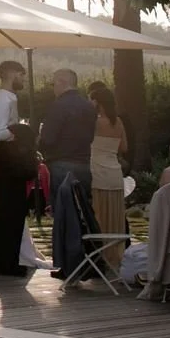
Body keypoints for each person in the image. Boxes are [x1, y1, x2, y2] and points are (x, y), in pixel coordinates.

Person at [38, 69, 98, 233]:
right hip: (85, 164)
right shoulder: (88, 106)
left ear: (62, 82)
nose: (53, 88)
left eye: (54, 83)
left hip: (61, 164)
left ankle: (65, 254)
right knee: (82, 210)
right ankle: (82, 250)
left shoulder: (58, 106)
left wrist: (40, 142)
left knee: (63, 213)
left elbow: (48, 139)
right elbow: (92, 136)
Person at [0, 60, 31, 277]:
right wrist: (20, 133)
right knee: (11, 209)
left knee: (10, 209)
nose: (23, 79)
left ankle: (7, 259)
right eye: (21, 75)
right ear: (11, 74)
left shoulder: (3, 98)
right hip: (9, 156)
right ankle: (7, 262)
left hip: (7, 157)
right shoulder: (4, 99)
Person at [87, 82, 129, 272]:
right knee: (115, 216)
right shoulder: (118, 122)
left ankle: (101, 256)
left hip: (97, 170)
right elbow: (124, 148)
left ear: (98, 103)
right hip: (115, 172)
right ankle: (115, 254)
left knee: (99, 214)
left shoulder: (94, 123)